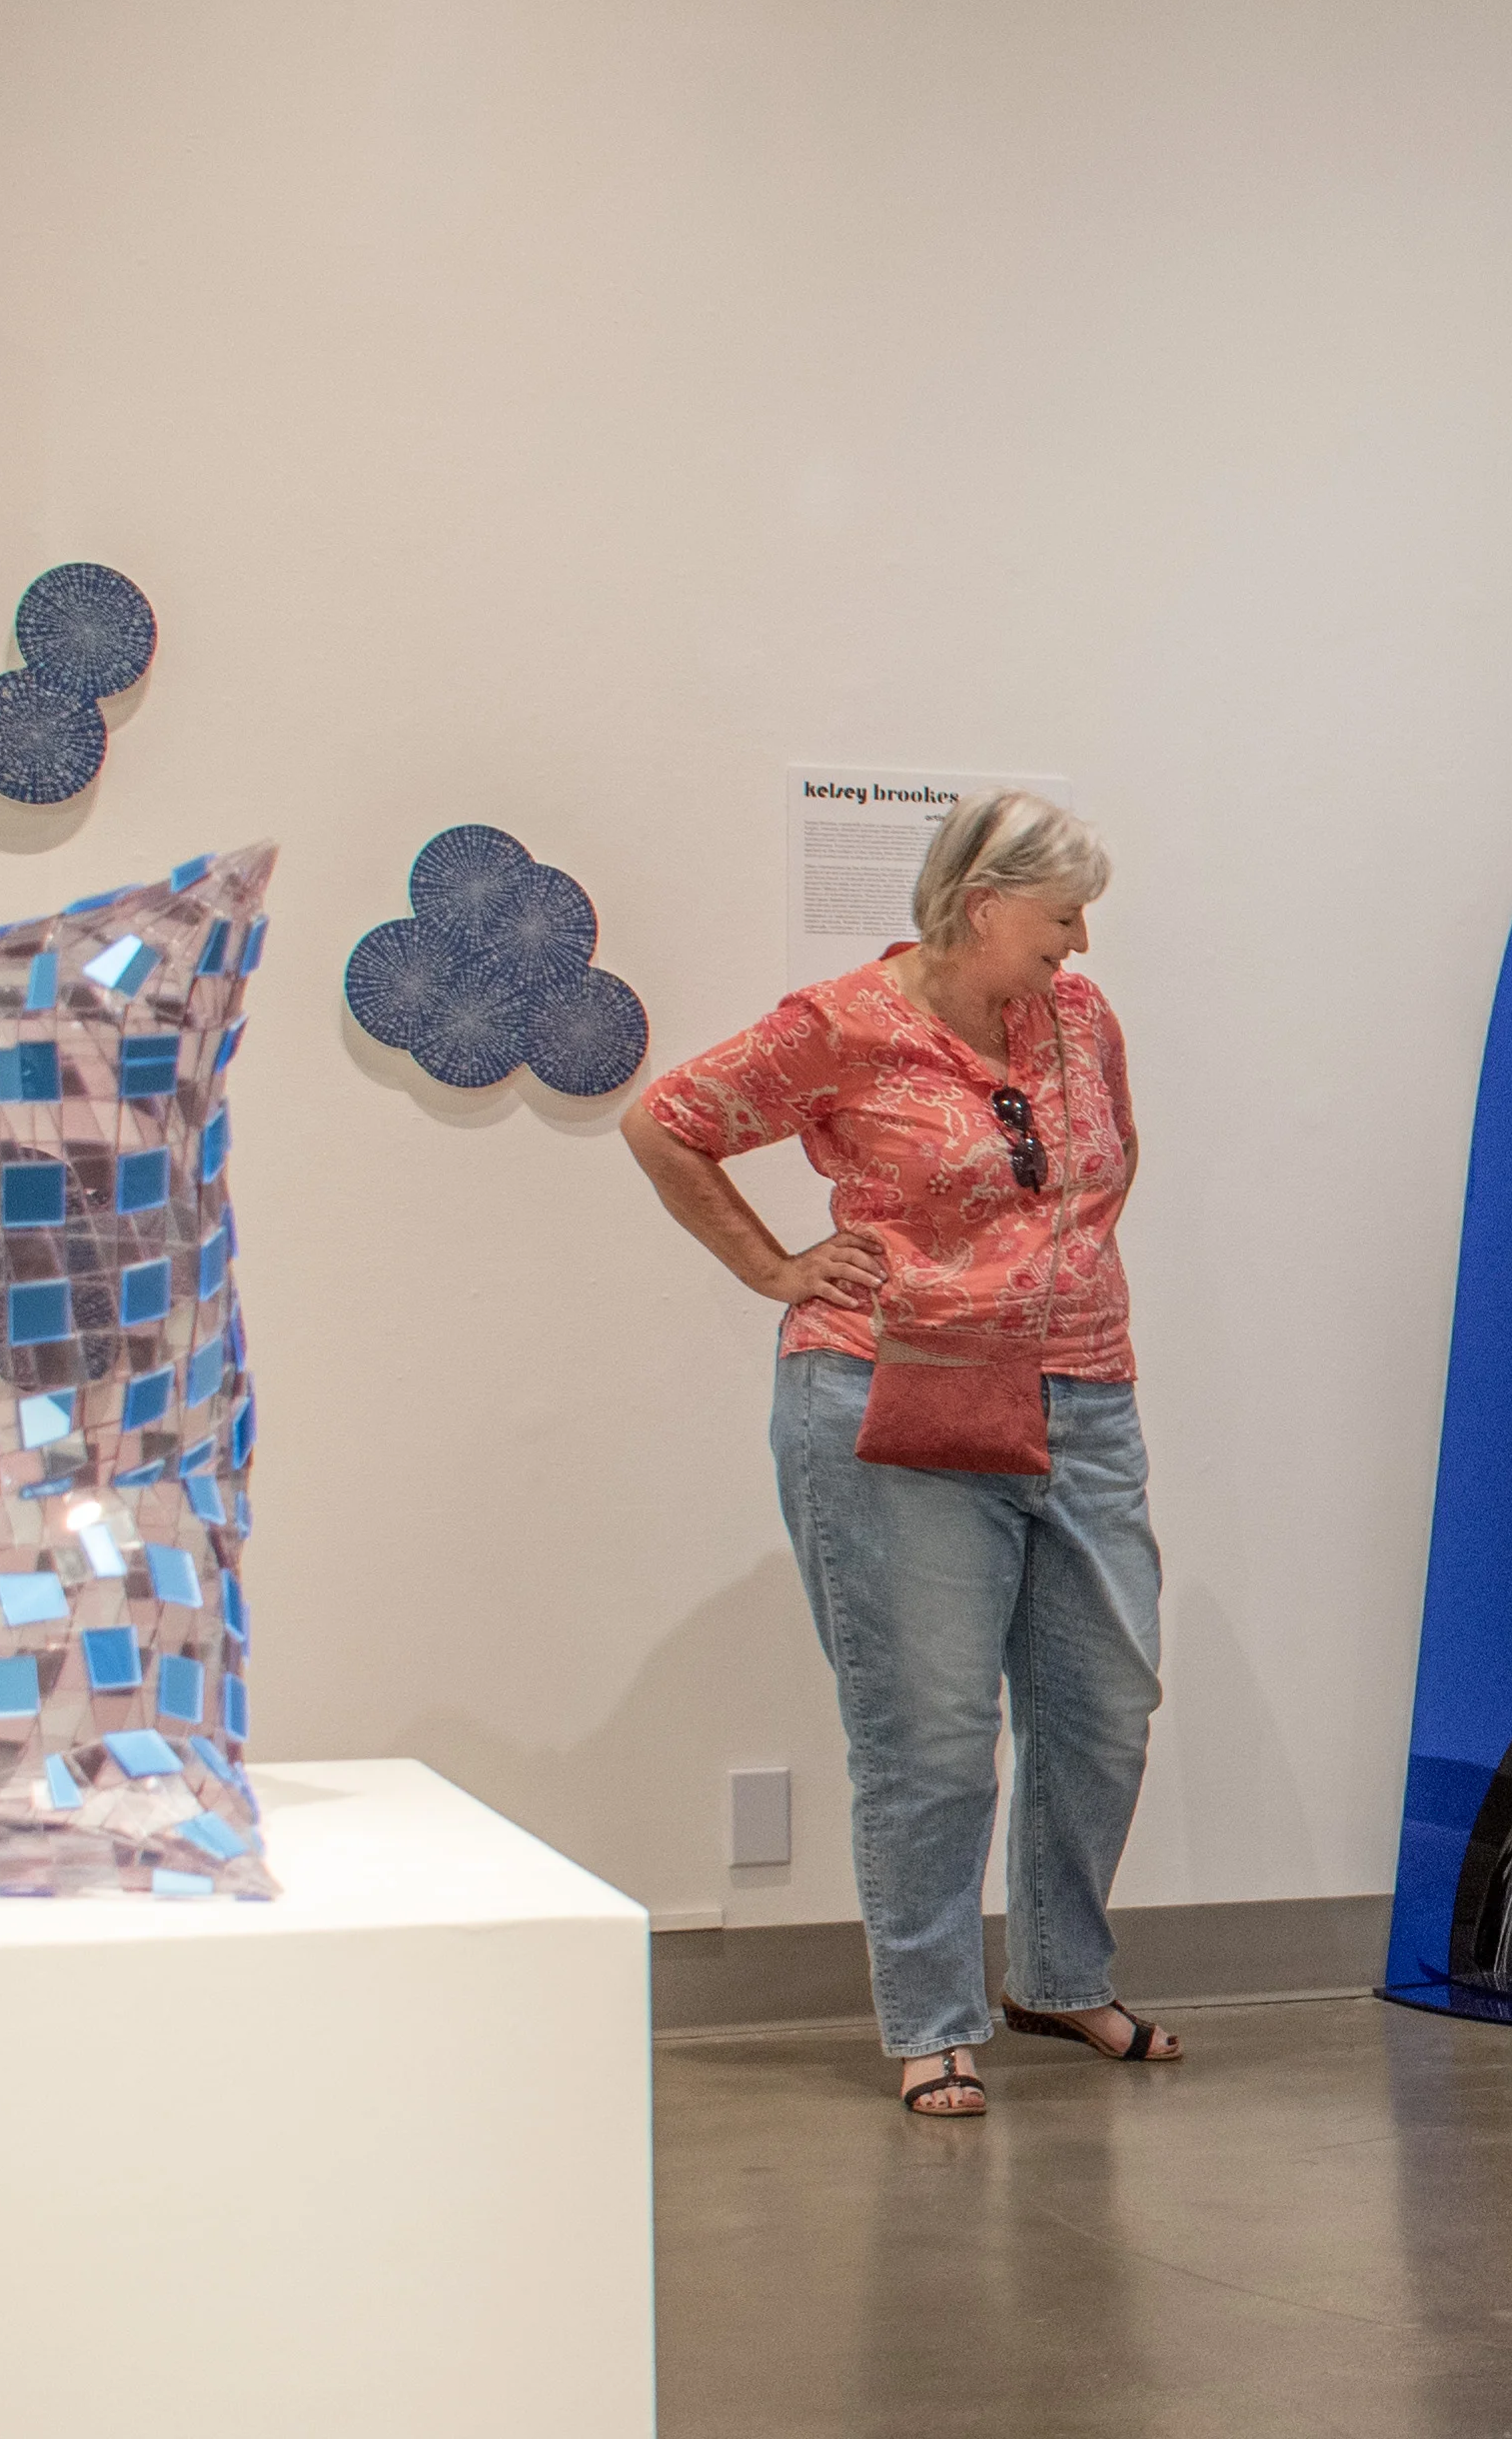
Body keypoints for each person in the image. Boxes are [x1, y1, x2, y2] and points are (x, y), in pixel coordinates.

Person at [621, 791, 1178, 2118]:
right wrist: (776, 1266)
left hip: (1081, 1398)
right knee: (928, 1735)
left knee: (1105, 1707)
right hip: (892, 1400)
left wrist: (1043, 1280)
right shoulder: (841, 1025)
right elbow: (667, 1121)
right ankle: (933, 2021)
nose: (1080, 941)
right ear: (982, 906)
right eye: (1058, 917)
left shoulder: (1081, 1019)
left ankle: (1058, 1973)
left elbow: (1109, 1167)